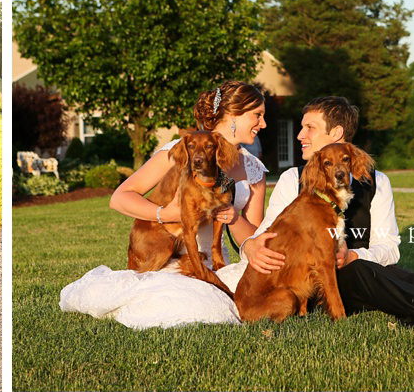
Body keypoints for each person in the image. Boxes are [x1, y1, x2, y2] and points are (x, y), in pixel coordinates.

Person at [243, 97, 414, 334]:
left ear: (336, 134)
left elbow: (389, 249)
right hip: (312, 284)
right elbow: (265, 235)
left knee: (406, 276)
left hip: (359, 276)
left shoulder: (378, 182)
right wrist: (249, 245)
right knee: (363, 271)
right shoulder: (292, 180)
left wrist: (353, 255)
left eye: (309, 128)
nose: (300, 135)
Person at [59, 81, 267, 328]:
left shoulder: (254, 168)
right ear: (233, 115)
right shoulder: (181, 153)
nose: (263, 124)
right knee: (194, 306)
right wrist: (165, 213)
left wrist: (233, 217)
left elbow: (253, 239)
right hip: (172, 258)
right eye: (257, 115)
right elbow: (120, 197)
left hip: (216, 260)